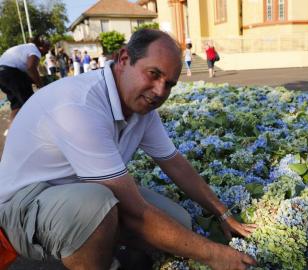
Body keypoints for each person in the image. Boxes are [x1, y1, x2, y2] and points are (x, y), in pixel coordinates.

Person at [0, 29, 257, 270]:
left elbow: (174, 162)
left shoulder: (140, 105)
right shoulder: (80, 105)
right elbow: (135, 211)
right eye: (153, 74)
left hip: (74, 190)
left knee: (180, 224)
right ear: (124, 58)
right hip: (20, 205)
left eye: (169, 84)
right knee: (96, 206)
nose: (159, 91)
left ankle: (109, 251)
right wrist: (214, 255)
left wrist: (222, 212)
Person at [0, 36, 48, 129]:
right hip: (10, 73)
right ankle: (38, 129)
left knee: (16, 105)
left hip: (2, 75)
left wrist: (35, 80)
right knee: (30, 102)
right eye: (47, 49)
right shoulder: (35, 50)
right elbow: (31, 68)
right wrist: (41, 85)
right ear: (41, 47)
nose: (47, 52)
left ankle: (12, 132)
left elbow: (27, 74)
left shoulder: (25, 47)